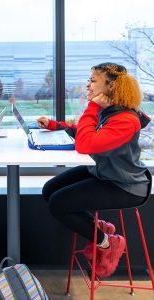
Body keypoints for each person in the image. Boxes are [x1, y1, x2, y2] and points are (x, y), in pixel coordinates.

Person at [37, 62, 151, 278]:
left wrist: (93, 107)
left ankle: (108, 244)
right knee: (50, 190)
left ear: (110, 86)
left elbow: (86, 144)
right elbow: (86, 131)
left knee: (58, 204)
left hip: (126, 185)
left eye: (92, 80)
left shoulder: (125, 119)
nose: (87, 85)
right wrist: (54, 125)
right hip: (107, 174)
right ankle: (100, 229)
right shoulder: (111, 111)